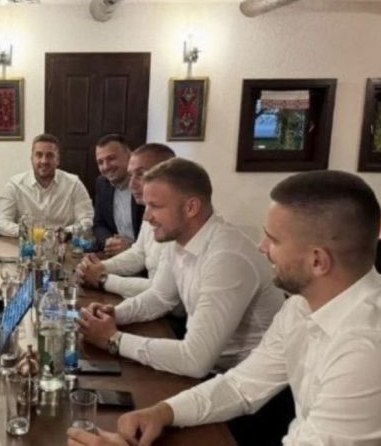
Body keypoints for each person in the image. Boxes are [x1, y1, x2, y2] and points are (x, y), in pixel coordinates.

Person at [68, 170, 381, 446]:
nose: (261, 247)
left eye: (273, 239)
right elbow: (241, 385)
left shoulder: (373, 350)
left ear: (318, 261)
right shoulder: (302, 305)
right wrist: (164, 411)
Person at [78, 158, 284, 378]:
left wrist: (113, 339)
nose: (146, 217)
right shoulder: (178, 238)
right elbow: (160, 297)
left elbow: (195, 360)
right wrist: (113, 314)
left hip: (246, 381)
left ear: (191, 207)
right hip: (215, 372)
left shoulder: (227, 257)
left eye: (155, 206)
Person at [78, 143, 176, 298]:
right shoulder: (150, 207)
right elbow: (139, 253)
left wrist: (102, 278)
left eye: (141, 174)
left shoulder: (179, 219)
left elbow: (164, 291)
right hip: (147, 299)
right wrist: (100, 267)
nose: (132, 184)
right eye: (131, 175)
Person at [0, 134, 94, 236]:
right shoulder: (15, 185)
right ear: (31, 158)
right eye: (39, 155)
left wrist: (61, 233)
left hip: (63, 241)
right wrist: (33, 233)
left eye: (50, 155)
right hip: (27, 242)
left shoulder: (74, 184)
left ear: (58, 160)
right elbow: (1, 222)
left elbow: (86, 220)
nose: (44, 161)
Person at [92, 134, 143, 257]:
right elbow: (99, 224)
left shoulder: (144, 185)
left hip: (144, 260)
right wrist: (109, 241)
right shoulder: (102, 183)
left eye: (111, 158)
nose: (105, 167)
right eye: (100, 162)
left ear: (129, 156)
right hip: (116, 256)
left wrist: (131, 248)